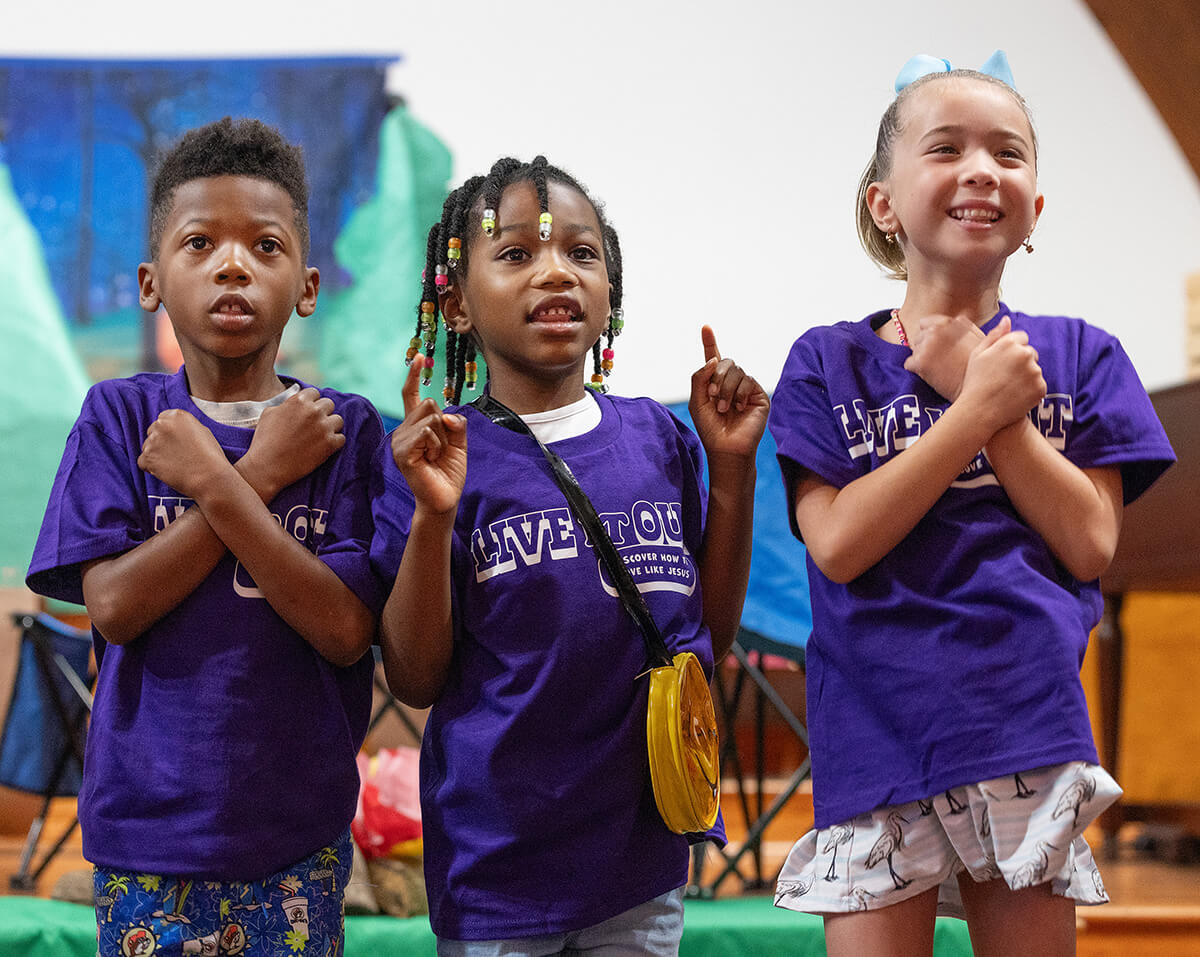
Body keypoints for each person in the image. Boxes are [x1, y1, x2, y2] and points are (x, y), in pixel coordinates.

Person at [767, 52, 1175, 956]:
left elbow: (1090, 541)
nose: (982, 169)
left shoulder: (1080, 356)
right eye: (945, 148)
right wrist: (973, 411)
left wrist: (1000, 413)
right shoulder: (824, 362)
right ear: (884, 202)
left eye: (1010, 154)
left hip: (1025, 725)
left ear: (1034, 209)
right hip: (875, 734)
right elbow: (835, 544)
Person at [370, 155, 769, 954]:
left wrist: (732, 469)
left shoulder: (658, 438)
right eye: (515, 254)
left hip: (640, 864)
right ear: (455, 304)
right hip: (499, 871)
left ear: (610, 292)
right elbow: (413, 677)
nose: (554, 272)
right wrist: (433, 515)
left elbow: (705, 637)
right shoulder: (436, 454)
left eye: (581, 254)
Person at [26, 117, 384, 957]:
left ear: (306, 285)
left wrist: (223, 481)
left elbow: (344, 631)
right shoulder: (121, 419)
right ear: (152, 281)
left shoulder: (342, 432)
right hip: (148, 841)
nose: (233, 264)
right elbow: (111, 606)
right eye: (201, 243)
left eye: (266, 245)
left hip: (296, 840)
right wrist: (254, 478)